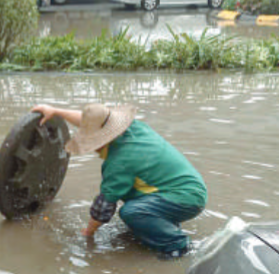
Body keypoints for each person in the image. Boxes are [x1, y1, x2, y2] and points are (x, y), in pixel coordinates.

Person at [32, 102, 207, 258]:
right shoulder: (133, 128)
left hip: (186, 199)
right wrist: (55, 111)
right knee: (134, 199)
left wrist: (87, 234)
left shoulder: (119, 162)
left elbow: (104, 207)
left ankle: (178, 246)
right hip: (189, 188)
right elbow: (90, 121)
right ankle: (164, 224)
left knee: (131, 212)